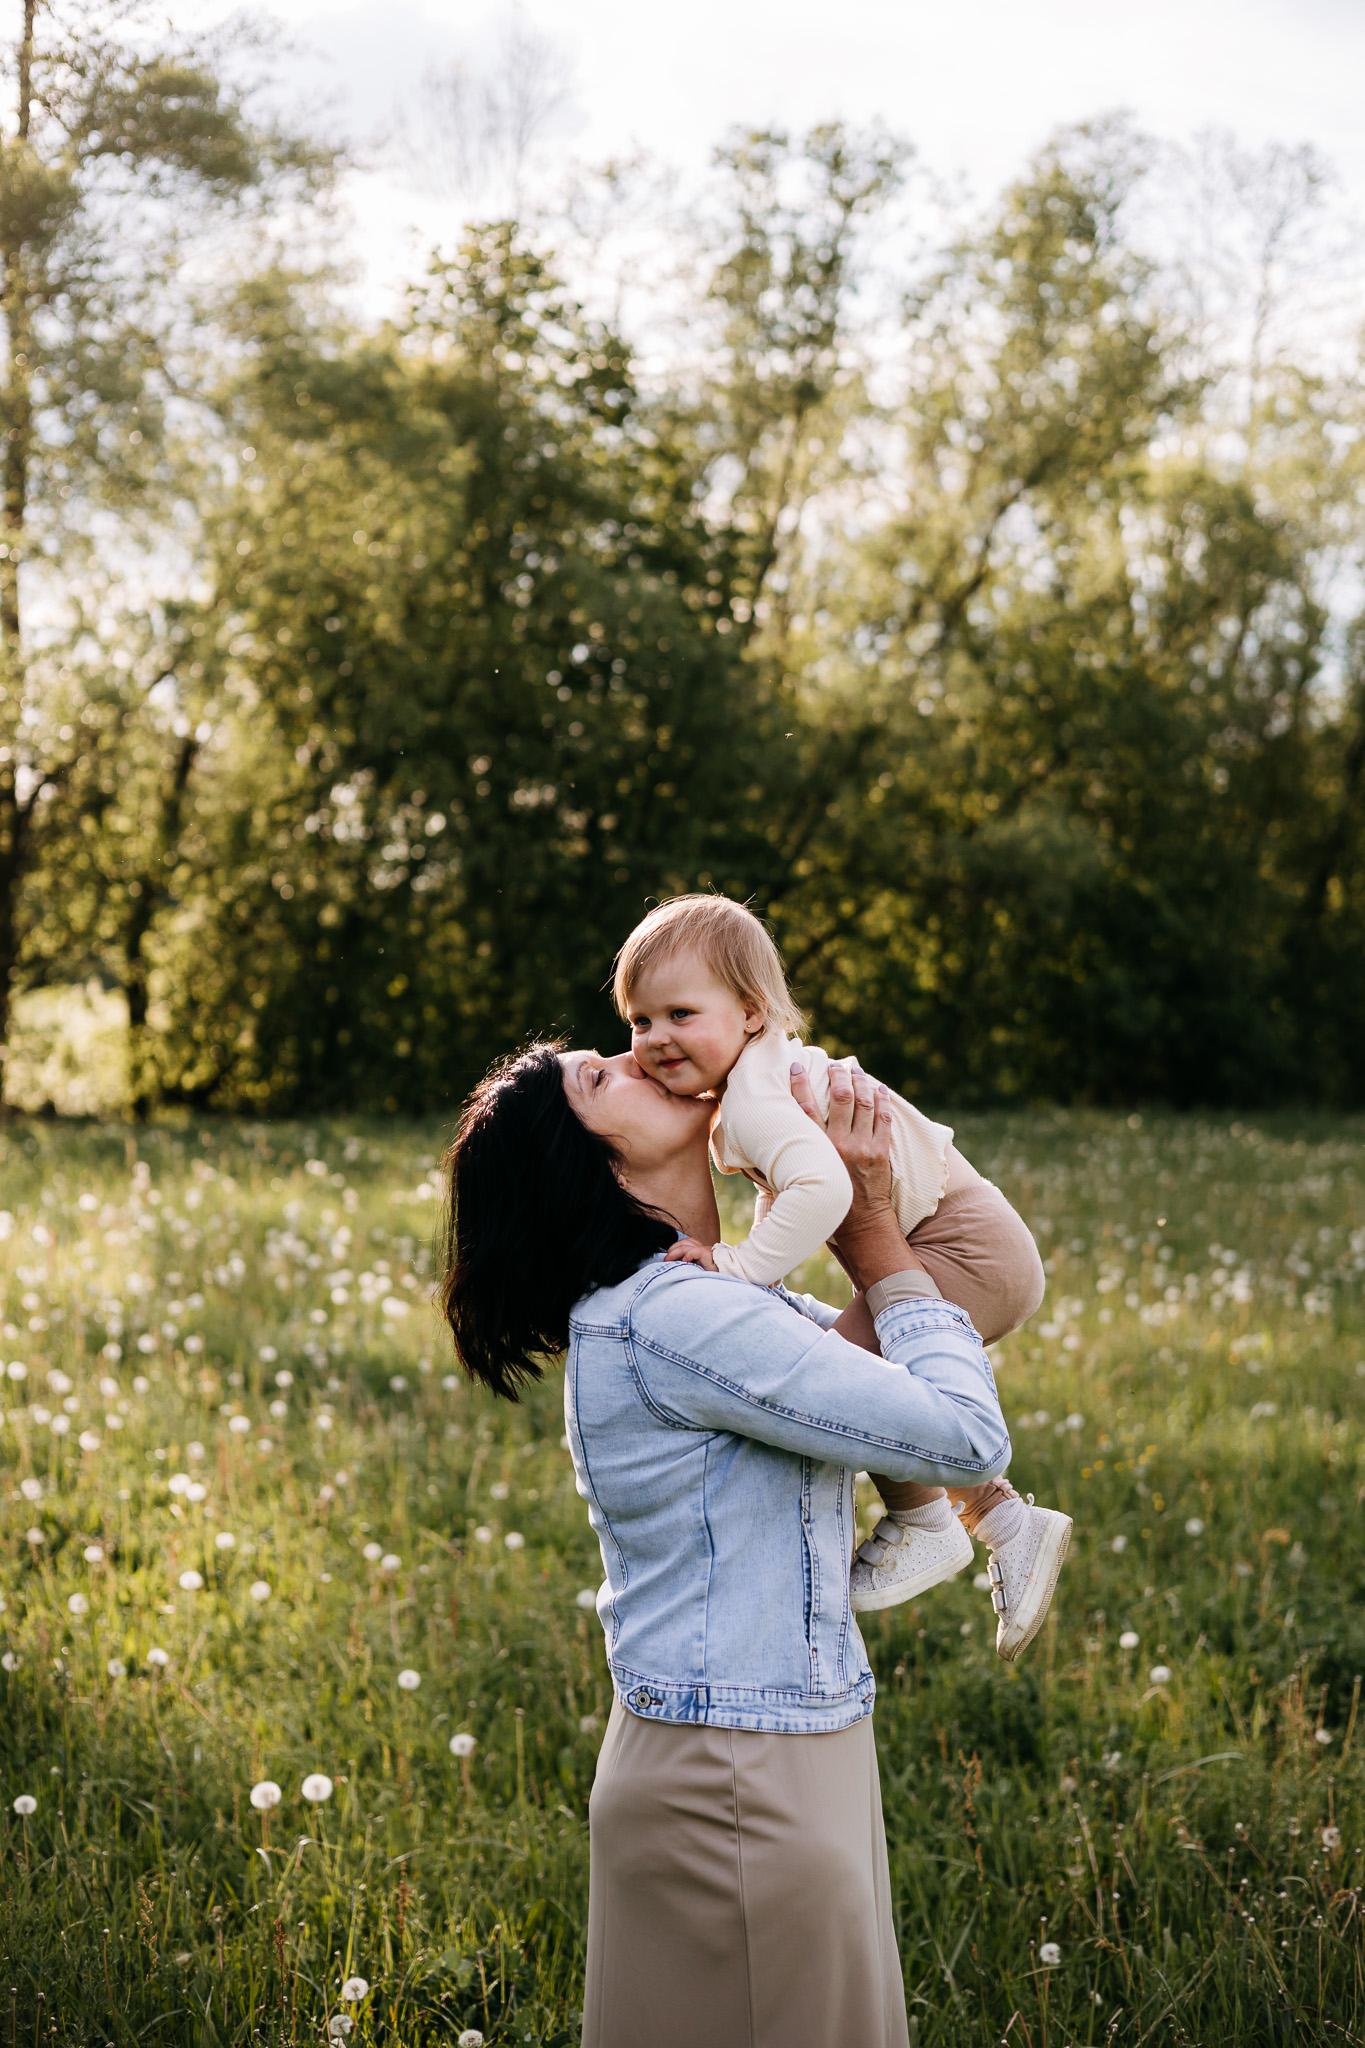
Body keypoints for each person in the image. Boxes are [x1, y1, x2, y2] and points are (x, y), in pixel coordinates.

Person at [438, 1040, 1018, 2048]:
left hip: (745, 1751)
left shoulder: (704, 1305)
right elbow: (964, 1436)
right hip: (741, 1775)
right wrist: (872, 1225)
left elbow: (907, 1348)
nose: (642, 1054)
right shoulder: (682, 1321)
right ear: (590, 1160)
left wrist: (845, 1165)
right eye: (600, 1073)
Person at [610, 892, 1071, 1651]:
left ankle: (924, 1521)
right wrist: (761, 1275)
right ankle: (1007, 1523)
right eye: (640, 1020)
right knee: (848, 1374)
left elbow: (823, 1192)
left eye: (679, 1014)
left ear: (752, 1013)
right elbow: (786, 1186)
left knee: (843, 1384)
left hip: (962, 1246)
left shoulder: (756, 1097)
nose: (655, 1038)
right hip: (965, 1235)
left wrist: (738, 1267)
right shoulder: (758, 1076)